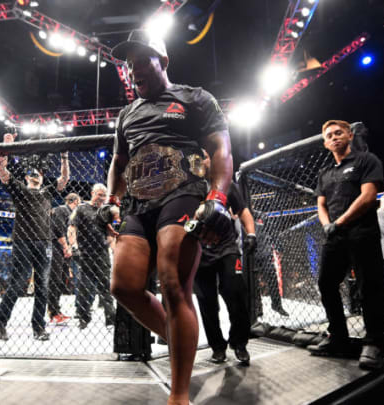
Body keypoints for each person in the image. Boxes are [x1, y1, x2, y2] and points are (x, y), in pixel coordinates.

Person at [107, 30, 233, 404]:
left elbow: (221, 149)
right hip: (139, 203)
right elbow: (119, 161)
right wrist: (112, 200)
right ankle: (181, 334)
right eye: (129, 66)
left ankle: (179, 396)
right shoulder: (127, 115)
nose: (133, 71)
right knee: (123, 285)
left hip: (184, 193)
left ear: (162, 61)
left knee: (172, 281)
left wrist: (218, 197)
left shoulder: (195, 98)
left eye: (141, 62)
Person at [307, 119, 384, 370]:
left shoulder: (367, 160)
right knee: (326, 283)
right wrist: (326, 225)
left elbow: (368, 196)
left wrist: (341, 222)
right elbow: (321, 204)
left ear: (349, 135)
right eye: (329, 136)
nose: (334, 137)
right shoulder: (325, 173)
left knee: (370, 286)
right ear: (325, 143)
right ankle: (338, 338)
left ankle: (375, 341)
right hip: (335, 235)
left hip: (361, 232)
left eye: (338, 133)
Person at [0, 133, 68, 341]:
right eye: (31, 173)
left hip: (44, 243)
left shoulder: (47, 193)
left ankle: (38, 327)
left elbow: (64, 180)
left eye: (38, 173)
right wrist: (6, 145)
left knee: (42, 285)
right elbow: (1, 170)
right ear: (26, 177)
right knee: (17, 283)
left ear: (42, 178)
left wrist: (64, 155)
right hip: (23, 241)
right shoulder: (20, 189)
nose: (36, 174)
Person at [193, 153, 254, 365]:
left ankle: (239, 343)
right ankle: (217, 347)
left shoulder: (225, 183)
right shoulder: (188, 187)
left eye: (206, 156)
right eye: (197, 157)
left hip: (227, 247)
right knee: (206, 302)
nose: (201, 161)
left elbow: (243, 210)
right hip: (199, 251)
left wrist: (251, 233)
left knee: (236, 293)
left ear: (213, 159)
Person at [68, 184, 116, 329]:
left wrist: (110, 247)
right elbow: (71, 228)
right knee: (84, 288)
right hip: (85, 254)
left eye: (104, 195)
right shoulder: (81, 208)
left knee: (105, 287)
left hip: (101, 254)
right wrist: (74, 246)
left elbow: (110, 233)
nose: (101, 197)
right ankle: (84, 318)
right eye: (99, 194)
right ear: (92, 193)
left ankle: (111, 319)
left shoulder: (106, 211)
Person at [47, 193, 80, 325]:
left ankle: (55, 311)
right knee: (54, 280)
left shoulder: (70, 213)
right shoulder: (62, 210)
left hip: (61, 248)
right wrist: (66, 246)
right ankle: (53, 312)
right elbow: (58, 229)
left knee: (59, 279)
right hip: (55, 247)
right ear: (76, 201)